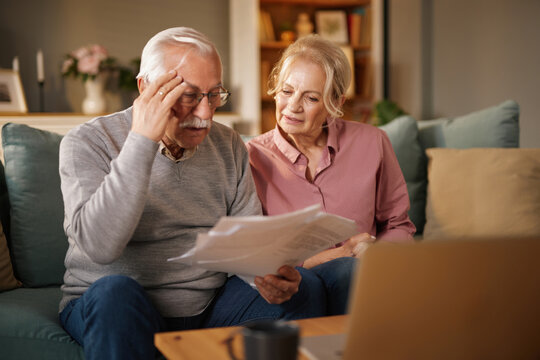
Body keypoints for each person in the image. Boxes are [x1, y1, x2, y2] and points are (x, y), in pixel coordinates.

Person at [58, 27, 327, 360]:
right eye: (188, 96)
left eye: (214, 94)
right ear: (146, 88)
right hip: (115, 303)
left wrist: (267, 277)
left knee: (305, 288)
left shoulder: (229, 145)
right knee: (115, 293)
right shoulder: (87, 142)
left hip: (208, 308)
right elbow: (100, 246)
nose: (205, 114)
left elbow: (247, 244)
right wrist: (142, 140)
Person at [246, 34, 416, 315]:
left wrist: (376, 254)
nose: (293, 106)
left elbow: (398, 225)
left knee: (354, 274)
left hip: (365, 279)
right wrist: (342, 253)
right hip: (296, 289)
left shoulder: (373, 142)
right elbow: (256, 256)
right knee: (345, 271)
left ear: (335, 102)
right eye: (286, 91)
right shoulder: (251, 157)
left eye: (311, 98)